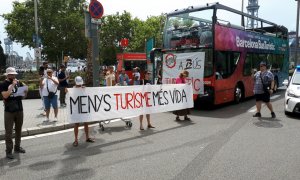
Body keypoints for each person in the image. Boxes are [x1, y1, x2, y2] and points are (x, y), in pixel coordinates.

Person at [0, 67, 28, 159]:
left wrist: (25, 90)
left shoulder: (18, 82)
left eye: (14, 74)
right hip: (9, 111)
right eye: (11, 74)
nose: (13, 76)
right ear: (7, 75)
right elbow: (5, 95)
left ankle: (17, 147)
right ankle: (8, 151)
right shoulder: (3, 84)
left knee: (18, 130)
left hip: (19, 109)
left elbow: (23, 96)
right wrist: (12, 85)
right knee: (8, 132)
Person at [68, 76, 95, 147]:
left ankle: (87, 137)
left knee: (86, 123)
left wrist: (84, 90)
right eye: (78, 84)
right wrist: (67, 91)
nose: (79, 85)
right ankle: (76, 140)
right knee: (76, 124)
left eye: (80, 84)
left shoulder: (83, 88)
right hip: (76, 109)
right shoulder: (73, 89)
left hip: (83, 108)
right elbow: (68, 94)